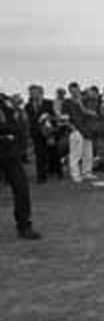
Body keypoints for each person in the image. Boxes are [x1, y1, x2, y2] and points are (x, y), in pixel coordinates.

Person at [1, 93, 42, 240]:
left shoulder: (4, 102)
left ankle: (24, 226)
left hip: (8, 151)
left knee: (22, 188)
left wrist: (11, 132)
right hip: (7, 147)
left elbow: (17, 126)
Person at [66, 82, 102, 185]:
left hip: (87, 129)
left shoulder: (85, 100)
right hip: (76, 130)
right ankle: (75, 175)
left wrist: (81, 103)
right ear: (70, 91)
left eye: (76, 91)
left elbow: (93, 113)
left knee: (88, 153)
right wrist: (72, 128)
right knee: (76, 154)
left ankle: (87, 172)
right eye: (72, 91)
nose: (75, 93)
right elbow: (65, 118)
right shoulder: (67, 103)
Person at [24, 85, 55, 183]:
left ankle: (54, 171)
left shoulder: (49, 103)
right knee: (39, 154)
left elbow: (54, 116)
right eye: (31, 93)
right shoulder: (27, 106)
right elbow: (28, 119)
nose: (33, 94)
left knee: (51, 152)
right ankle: (41, 176)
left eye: (35, 92)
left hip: (48, 132)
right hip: (36, 133)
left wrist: (49, 122)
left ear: (41, 93)